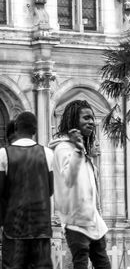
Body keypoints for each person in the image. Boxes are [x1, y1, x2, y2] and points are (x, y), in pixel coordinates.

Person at [48, 100, 111, 269]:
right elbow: (68, 179)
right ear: (74, 120)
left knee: (103, 264)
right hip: (76, 221)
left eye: (92, 118)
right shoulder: (63, 149)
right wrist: (77, 150)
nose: (91, 122)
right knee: (80, 264)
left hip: (92, 220)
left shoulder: (80, 150)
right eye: (86, 118)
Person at [0, 112, 54, 268]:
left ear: (16, 128)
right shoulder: (48, 154)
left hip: (14, 229)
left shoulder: (4, 154)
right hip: (42, 229)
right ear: (35, 130)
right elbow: (50, 190)